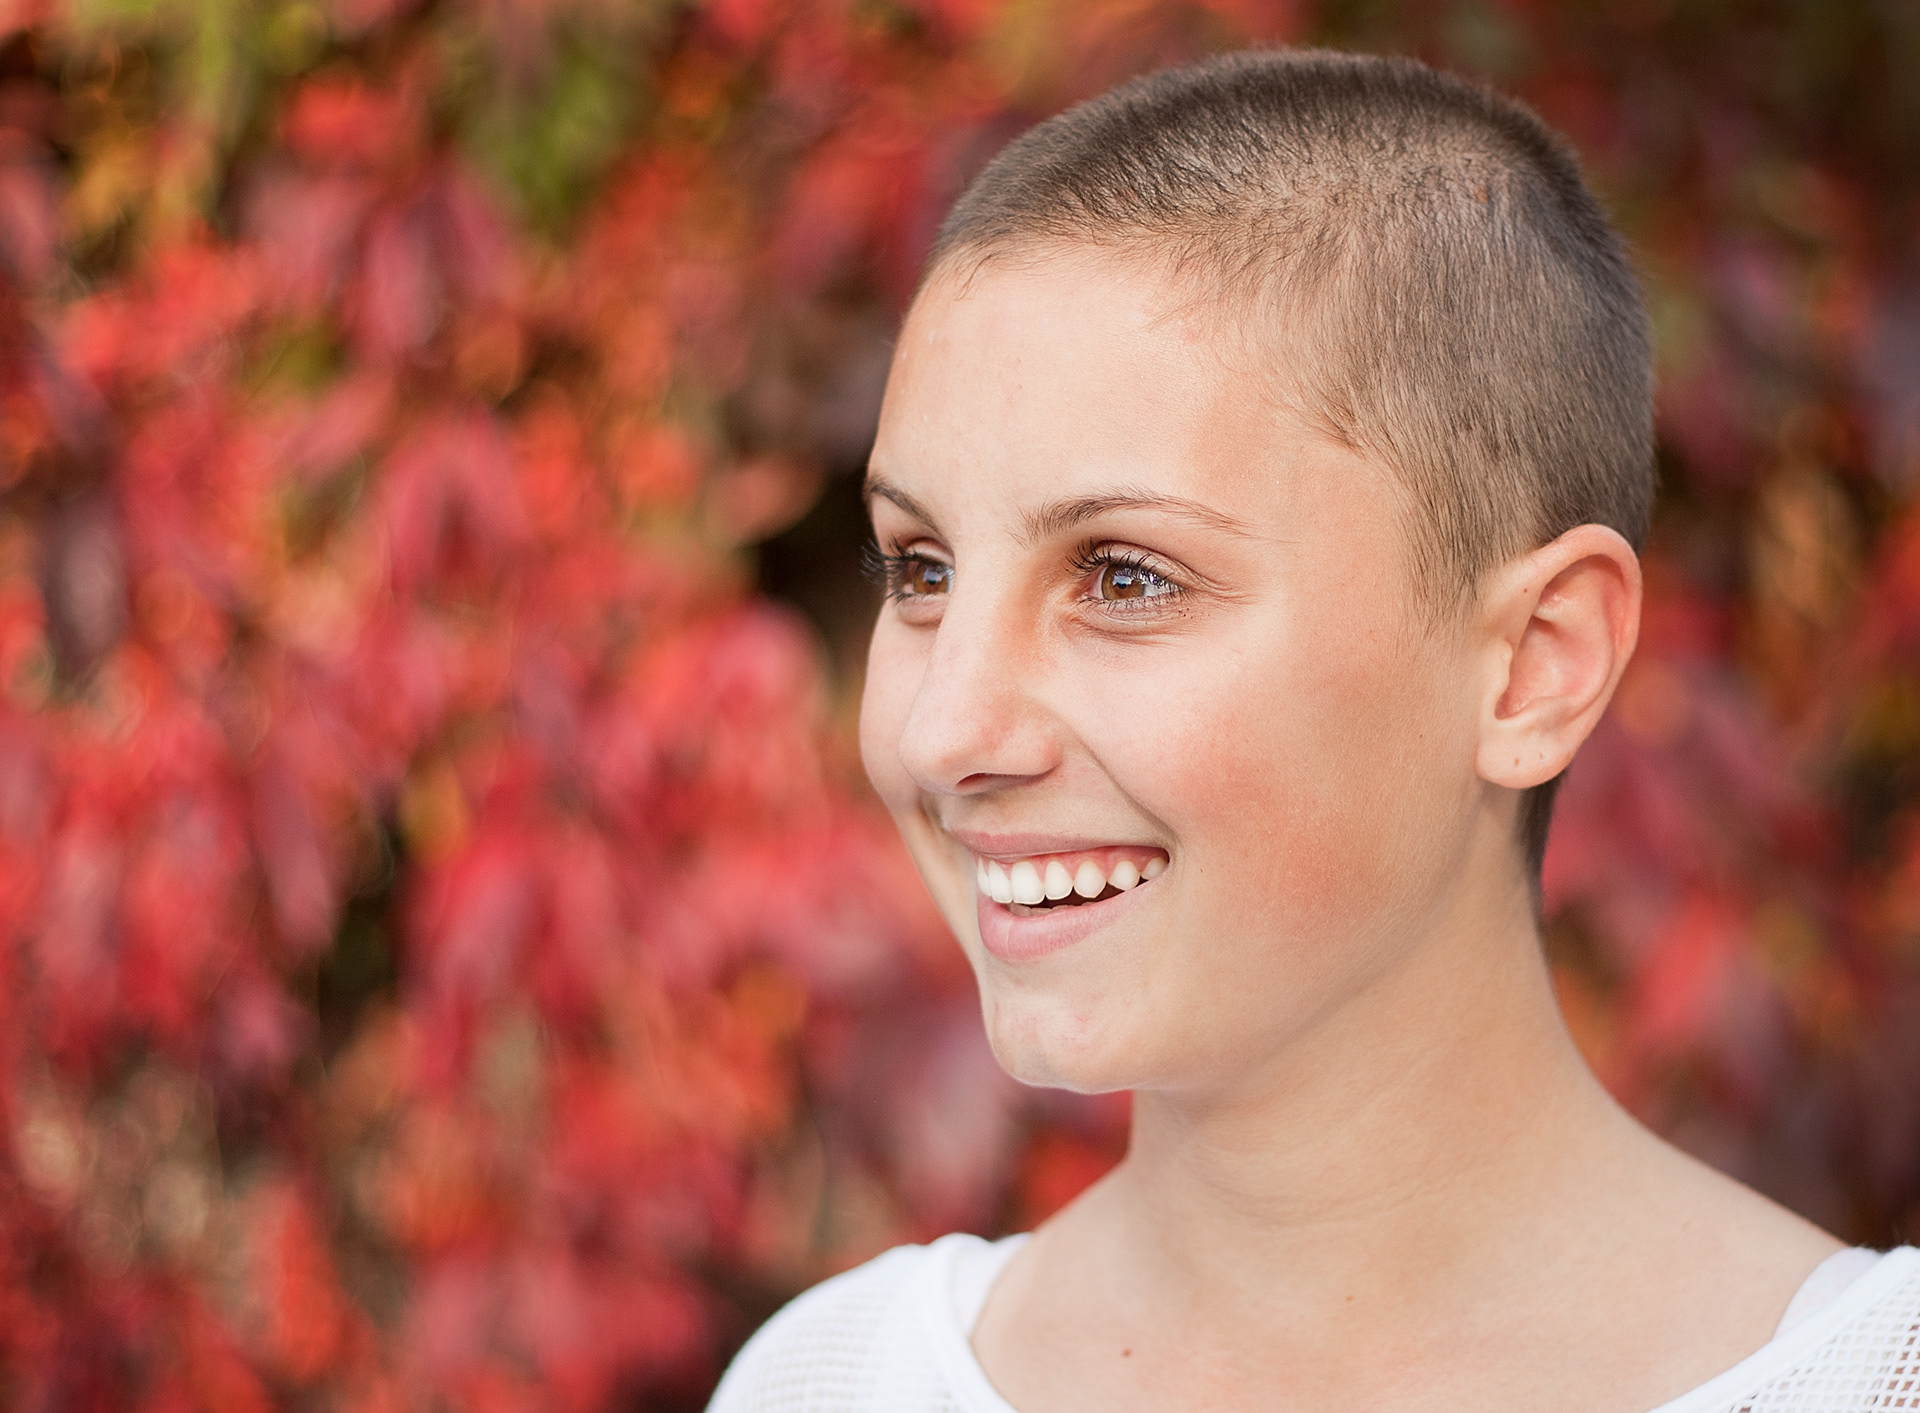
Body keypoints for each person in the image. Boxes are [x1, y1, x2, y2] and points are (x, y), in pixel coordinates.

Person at [707, 48, 1919, 1413]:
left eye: (1125, 578)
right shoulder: (832, 1384)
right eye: (920, 569)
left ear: (1535, 663)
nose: (944, 732)